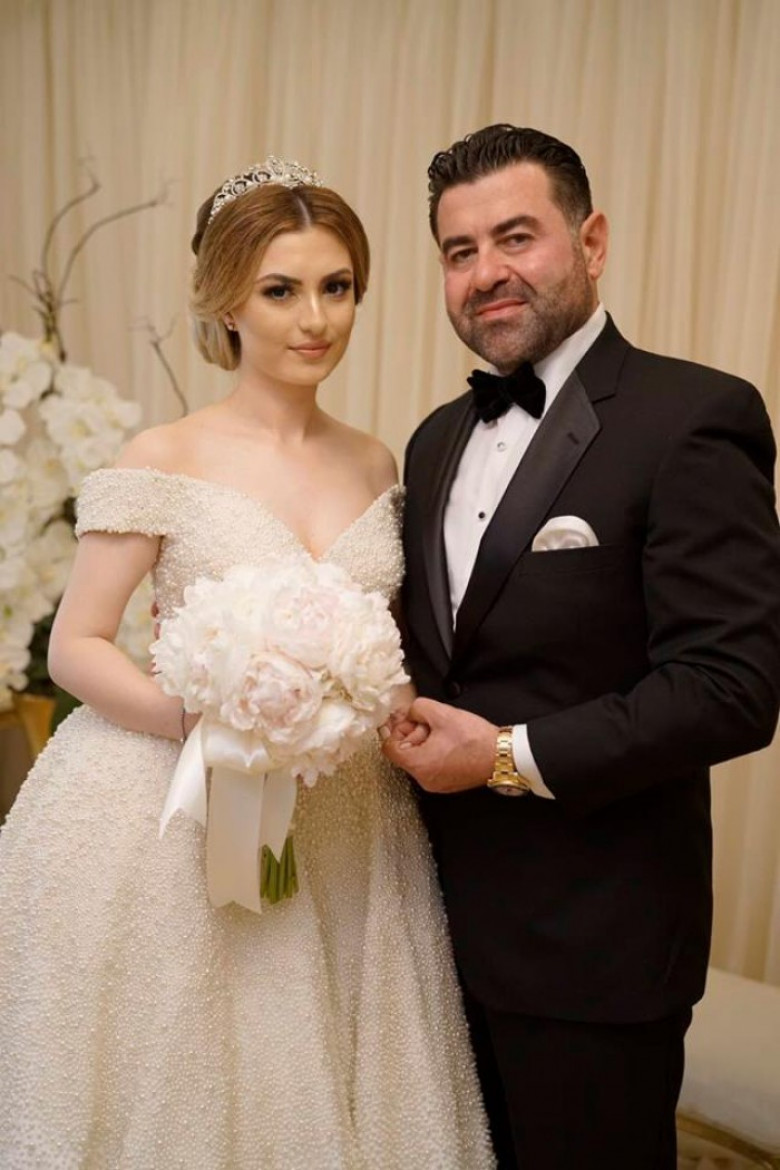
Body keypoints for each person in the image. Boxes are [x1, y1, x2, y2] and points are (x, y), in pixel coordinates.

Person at [0, 158, 495, 1169]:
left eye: (336, 287)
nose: (315, 319)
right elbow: (76, 646)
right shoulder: (164, 455)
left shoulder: (376, 462)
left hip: (348, 820)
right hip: (183, 803)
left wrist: (392, 708)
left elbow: (379, 648)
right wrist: (204, 721)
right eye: (281, 290)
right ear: (226, 301)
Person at [383, 124, 780, 1170]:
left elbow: (731, 688)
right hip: (422, 939)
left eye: (516, 237)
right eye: (460, 251)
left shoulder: (694, 416)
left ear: (591, 242)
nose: (486, 272)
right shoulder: (433, 439)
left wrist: (503, 758)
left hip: (594, 957)